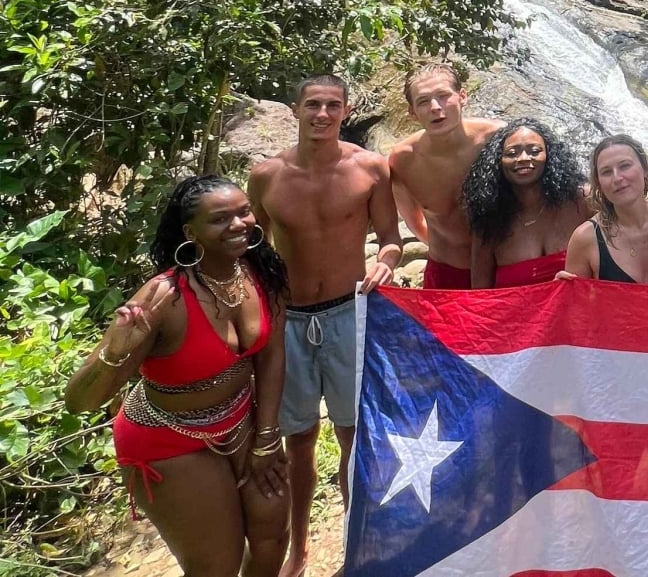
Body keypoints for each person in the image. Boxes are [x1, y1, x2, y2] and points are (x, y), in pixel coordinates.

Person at [65, 176, 291, 576]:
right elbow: (79, 402)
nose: (239, 224)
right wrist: (115, 355)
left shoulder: (262, 272)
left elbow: (271, 357)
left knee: (272, 535)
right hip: (169, 439)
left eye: (243, 212)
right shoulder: (163, 298)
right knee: (216, 566)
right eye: (220, 219)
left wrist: (267, 437)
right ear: (191, 232)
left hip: (241, 421)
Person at [247, 74, 403, 577]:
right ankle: (298, 549)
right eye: (312, 104)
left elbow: (391, 237)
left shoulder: (370, 168)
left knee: (353, 433)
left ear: (345, 110)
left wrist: (386, 261)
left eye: (332, 105)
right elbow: (250, 247)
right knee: (299, 440)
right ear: (294, 110)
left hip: (348, 313)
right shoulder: (266, 176)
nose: (322, 114)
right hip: (287, 320)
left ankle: (357, 539)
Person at [388, 62, 501, 289]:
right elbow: (414, 222)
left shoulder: (498, 139)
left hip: (504, 269)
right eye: (423, 101)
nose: (435, 107)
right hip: (446, 274)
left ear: (462, 96)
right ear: (411, 112)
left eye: (443, 96)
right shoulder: (403, 160)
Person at [463, 117, 592, 287]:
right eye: (511, 153)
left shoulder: (583, 200)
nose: (523, 158)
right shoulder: (489, 220)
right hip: (516, 313)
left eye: (534, 150)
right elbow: (480, 294)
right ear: (497, 161)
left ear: (549, 155)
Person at [559, 135, 648, 284]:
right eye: (606, 172)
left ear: (645, 169)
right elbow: (574, 304)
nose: (617, 178)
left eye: (625, 166)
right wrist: (560, 290)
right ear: (599, 183)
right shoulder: (585, 238)